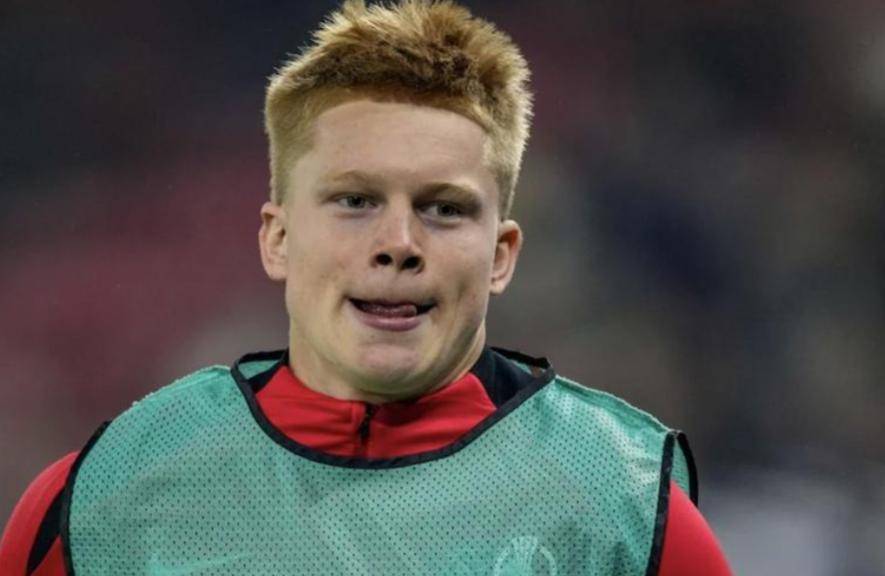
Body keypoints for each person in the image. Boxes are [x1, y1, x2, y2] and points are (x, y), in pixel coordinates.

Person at [1, 1, 733, 574]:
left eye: (443, 209)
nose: (398, 244)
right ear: (278, 238)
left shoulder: (622, 512)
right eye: (354, 201)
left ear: (501, 254)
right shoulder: (103, 503)